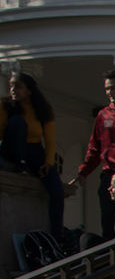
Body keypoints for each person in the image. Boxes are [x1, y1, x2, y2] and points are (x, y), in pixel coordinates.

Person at [70, 70, 115, 241]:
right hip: (110, 177)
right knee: (109, 223)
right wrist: (82, 173)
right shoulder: (104, 115)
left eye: (114, 88)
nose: (110, 93)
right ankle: (112, 264)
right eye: (107, 89)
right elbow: (94, 147)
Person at [1, 73, 66, 239]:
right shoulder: (6, 106)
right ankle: (21, 165)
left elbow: (50, 140)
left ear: (29, 90)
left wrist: (48, 163)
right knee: (18, 122)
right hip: (11, 148)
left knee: (56, 189)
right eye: (12, 87)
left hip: (34, 150)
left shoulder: (42, 109)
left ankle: (57, 235)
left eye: (18, 87)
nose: (13, 90)